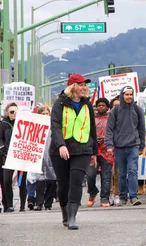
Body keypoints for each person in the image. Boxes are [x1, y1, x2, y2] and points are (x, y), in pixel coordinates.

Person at [50, 74, 98, 230]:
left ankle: (72, 217)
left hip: (82, 147)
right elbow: (55, 126)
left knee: (76, 181)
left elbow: (92, 129)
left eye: (85, 85)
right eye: (81, 85)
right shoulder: (59, 103)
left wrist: (94, 152)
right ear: (72, 87)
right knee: (63, 184)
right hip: (61, 149)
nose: (84, 87)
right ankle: (65, 213)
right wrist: (60, 145)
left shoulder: (87, 105)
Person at [105, 86, 146, 206]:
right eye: (126, 94)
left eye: (130, 94)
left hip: (133, 145)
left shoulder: (138, 110)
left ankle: (134, 196)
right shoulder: (115, 111)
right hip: (119, 147)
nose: (129, 97)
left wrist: (141, 145)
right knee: (121, 173)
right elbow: (109, 129)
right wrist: (109, 145)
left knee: (133, 171)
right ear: (122, 95)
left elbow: (141, 129)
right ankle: (123, 196)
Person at [0, 103, 28, 212]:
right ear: (8, 113)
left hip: (21, 156)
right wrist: (3, 148)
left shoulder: (23, 123)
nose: (15, 114)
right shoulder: (4, 124)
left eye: (16, 111)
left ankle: (22, 206)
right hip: (8, 156)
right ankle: (10, 205)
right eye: (12, 112)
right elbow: (1, 138)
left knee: (22, 181)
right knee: (7, 181)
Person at [86, 98, 113, 208]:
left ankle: (104, 197)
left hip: (107, 150)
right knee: (90, 174)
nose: (101, 107)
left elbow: (114, 132)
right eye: (99, 105)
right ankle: (93, 191)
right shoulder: (90, 119)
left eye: (103, 105)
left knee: (106, 175)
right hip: (93, 150)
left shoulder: (111, 119)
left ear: (107, 107)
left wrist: (105, 138)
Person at [33, 105, 57, 211]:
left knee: (52, 181)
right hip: (40, 156)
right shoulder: (35, 126)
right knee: (40, 181)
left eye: (47, 114)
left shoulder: (54, 125)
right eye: (43, 114)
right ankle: (39, 203)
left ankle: (48, 203)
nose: (45, 116)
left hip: (52, 155)